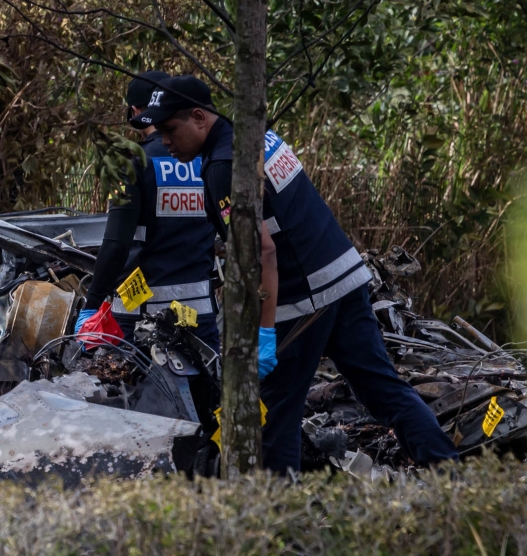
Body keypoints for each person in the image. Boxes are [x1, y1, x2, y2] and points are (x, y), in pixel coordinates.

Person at [131, 74, 459, 472]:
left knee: (274, 415)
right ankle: (451, 477)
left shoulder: (223, 166)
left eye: (170, 129)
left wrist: (264, 332)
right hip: (343, 274)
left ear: (199, 117)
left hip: (303, 298)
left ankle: (280, 506)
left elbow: (262, 251)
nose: (164, 140)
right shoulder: (257, 136)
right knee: (383, 390)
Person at [74, 71, 221, 353]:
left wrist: (91, 305)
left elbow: (116, 244)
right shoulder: (209, 159)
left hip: (142, 319)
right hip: (199, 315)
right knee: (205, 382)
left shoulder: (131, 163)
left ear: (135, 112)